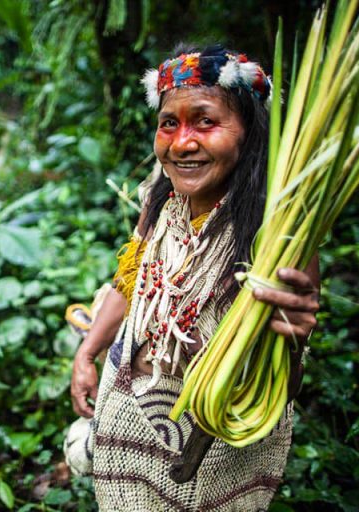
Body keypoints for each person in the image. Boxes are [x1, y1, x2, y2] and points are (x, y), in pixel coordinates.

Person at [68, 44, 320, 511]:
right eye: (170, 123)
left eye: (205, 121)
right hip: (126, 411)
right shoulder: (161, 200)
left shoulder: (277, 232)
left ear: (248, 133)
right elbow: (131, 282)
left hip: (212, 446)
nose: (181, 143)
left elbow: (281, 374)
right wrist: (88, 352)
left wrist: (292, 339)